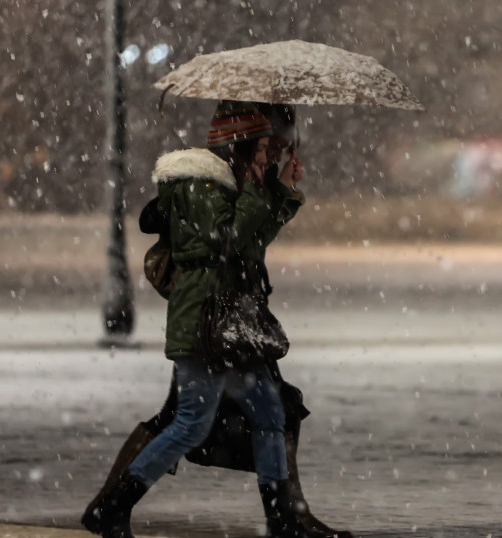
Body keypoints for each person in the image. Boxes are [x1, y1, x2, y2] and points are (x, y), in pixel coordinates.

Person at [82, 101, 339, 538]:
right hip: (206, 322)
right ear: (236, 148)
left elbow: (252, 243)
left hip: (233, 322)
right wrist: (261, 191)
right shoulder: (199, 184)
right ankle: (113, 505)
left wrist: (282, 191)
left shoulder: (231, 185)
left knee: (269, 410)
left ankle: (281, 518)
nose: (266, 157)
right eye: (260, 151)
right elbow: (229, 240)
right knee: (190, 423)